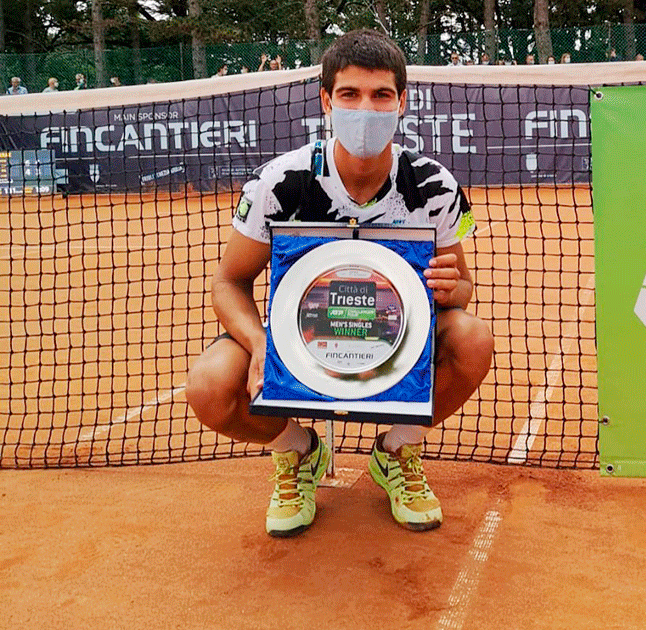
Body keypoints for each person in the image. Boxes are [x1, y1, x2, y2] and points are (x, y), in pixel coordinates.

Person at [185, 29, 493, 538]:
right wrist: (261, 343)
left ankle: (397, 448)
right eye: (350, 94)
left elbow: (462, 289)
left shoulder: (435, 185)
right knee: (208, 387)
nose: (365, 109)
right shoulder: (279, 182)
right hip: (301, 338)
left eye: (381, 95)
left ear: (402, 103)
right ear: (326, 99)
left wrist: (451, 285)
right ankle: (297, 451)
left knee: (474, 339)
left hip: (399, 339)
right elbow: (228, 282)